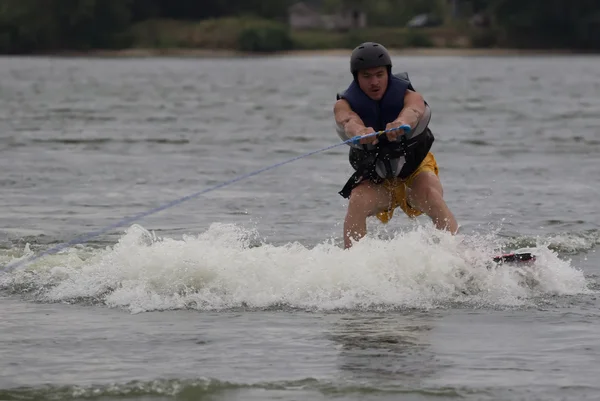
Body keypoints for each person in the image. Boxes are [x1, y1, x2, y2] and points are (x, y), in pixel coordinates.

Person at [333, 42, 458, 249]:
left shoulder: (409, 95)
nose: (374, 82)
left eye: (379, 74)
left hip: (415, 169)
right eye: (367, 76)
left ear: (388, 73)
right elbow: (348, 121)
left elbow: (414, 111)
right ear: (356, 77)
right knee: (357, 200)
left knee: (430, 194)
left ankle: (459, 254)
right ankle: (353, 262)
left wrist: (401, 123)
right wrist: (360, 132)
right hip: (377, 176)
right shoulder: (344, 103)